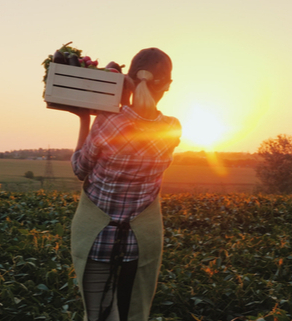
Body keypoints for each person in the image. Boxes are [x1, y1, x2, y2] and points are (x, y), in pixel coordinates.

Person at [68, 48, 181, 321]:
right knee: (133, 313)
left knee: (97, 315)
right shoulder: (173, 128)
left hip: (98, 239)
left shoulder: (108, 123)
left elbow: (79, 169)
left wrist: (85, 117)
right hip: (139, 243)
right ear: (166, 86)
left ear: (127, 80)